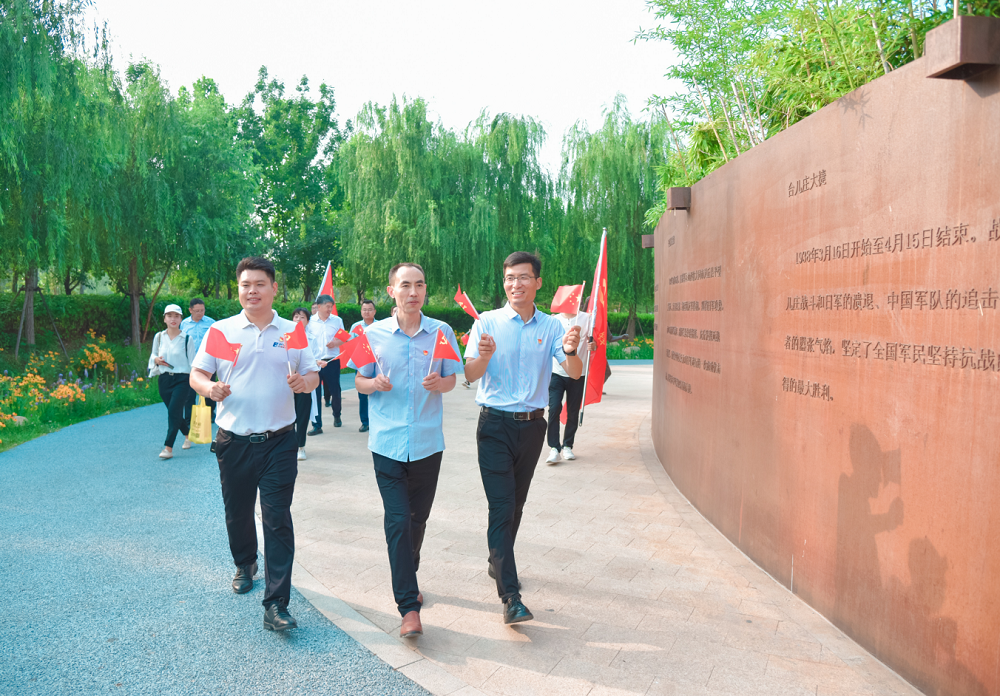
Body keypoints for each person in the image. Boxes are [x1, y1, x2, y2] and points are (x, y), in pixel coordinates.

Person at [190, 257, 319, 632]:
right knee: (238, 511)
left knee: (278, 518)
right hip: (234, 441)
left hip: (280, 440)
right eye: (245, 284)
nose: (252, 291)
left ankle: (276, 604)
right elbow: (197, 374)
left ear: (274, 288)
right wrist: (209, 387)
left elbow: (311, 373)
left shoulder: (293, 330)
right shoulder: (223, 331)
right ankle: (245, 562)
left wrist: (304, 384)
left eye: (259, 284)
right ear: (239, 288)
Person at [463, 251, 582, 624]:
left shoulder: (551, 327)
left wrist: (570, 349)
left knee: (515, 506)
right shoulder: (487, 322)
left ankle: (495, 559)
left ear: (538, 283)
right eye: (510, 278)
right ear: (504, 283)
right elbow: (470, 374)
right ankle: (510, 597)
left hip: (532, 427)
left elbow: (574, 373)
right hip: (494, 426)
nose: (516, 284)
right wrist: (482, 357)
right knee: (501, 507)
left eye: (524, 277)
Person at [354, 263, 460, 639]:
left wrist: (440, 382)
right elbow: (358, 379)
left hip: (429, 443)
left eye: (419, 285)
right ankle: (408, 608)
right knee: (397, 521)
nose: (412, 292)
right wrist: (373, 383)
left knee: (417, 521)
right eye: (405, 285)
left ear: (425, 290)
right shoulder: (372, 334)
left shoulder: (441, 332)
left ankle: (407, 569)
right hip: (387, 443)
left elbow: (452, 379)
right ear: (391, 291)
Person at [148, 304, 198, 459]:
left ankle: (168, 448)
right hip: (164, 380)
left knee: (173, 412)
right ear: (164, 319)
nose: (173, 319)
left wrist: (197, 382)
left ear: (181, 319)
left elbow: (193, 362)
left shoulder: (187, 339)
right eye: (169, 316)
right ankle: (188, 434)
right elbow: (153, 356)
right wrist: (156, 360)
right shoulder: (159, 337)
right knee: (174, 411)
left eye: (176, 316)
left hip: (182, 380)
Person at [545, 307, 594, 464]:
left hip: (578, 373)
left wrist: (593, 346)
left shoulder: (587, 318)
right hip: (556, 371)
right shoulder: (553, 320)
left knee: (573, 411)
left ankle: (567, 445)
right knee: (554, 409)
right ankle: (554, 448)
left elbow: (594, 342)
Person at [306, 294, 345, 433]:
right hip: (315, 362)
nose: (330, 309)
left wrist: (335, 343)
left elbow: (343, 338)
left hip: (332, 360)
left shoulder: (337, 320)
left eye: (331, 307)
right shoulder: (310, 322)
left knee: (335, 390)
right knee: (315, 393)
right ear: (319, 306)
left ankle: (337, 416)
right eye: (327, 306)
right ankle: (316, 425)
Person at [181, 298, 217, 422]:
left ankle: (210, 413)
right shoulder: (184, 324)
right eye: (197, 311)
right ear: (190, 310)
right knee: (189, 392)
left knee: (209, 388)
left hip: (208, 361)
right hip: (190, 361)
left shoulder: (211, 323)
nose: (200, 313)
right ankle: (189, 417)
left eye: (202, 310)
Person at [291, 308, 319, 461]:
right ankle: (289, 445)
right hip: (287, 382)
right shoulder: (284, 336)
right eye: (296, 317)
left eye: (302, 317)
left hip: (304, 383)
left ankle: (301, 446)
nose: (298, 320)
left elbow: (317, 360)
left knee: (302, 416)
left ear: (308, 321)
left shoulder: (311, 338)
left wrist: (317, 363)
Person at [350, 299, 378, 432]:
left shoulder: (380, 326)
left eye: (369, 309)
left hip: (377, 364)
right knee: (362, 394)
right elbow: (351, 345)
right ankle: (365, 422)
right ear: (361, 312)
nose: (367, 312)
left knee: (378, 392)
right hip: (362, 364)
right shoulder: (356, 327)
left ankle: (376, 420)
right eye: (364, 310)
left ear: (374, 311)